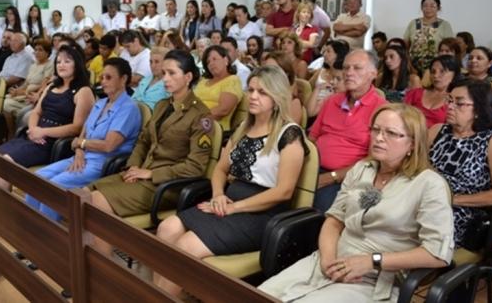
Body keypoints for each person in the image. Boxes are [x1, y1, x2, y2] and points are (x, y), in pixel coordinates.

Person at [260, 104, 455, 303]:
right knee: (256, 296)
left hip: (373, 280)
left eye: (390, 133)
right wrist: (327, 260)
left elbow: (437, 254)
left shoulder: (429, 184)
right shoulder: (362, 169)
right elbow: (334, 220)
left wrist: (373, 261)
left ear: (412, 144)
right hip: (329, 262)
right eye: (376, 130)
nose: (379, 138)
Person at [154, 66, 307, 297]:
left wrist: (235, 207)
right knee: (166, 228)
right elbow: (220, 170)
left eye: (262, 92)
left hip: (263, 212)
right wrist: (218, 195)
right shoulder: (243, 128)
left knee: (186, 245)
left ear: (277, 97)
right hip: (230, 199)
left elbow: (283, 192)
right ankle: (156, 295)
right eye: (251, 90)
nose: (253, 96)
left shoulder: (289, 134)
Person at [87, 49, 215, 255]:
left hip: (166, 184)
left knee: (97, 201)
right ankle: (94, 263)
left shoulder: (200, 116)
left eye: (172, 73)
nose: (165, 78)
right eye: (163, 73)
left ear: (188, 77)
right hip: (143, 174)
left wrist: (151, 174)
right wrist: (134, 165)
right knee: (83, 194)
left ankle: (103, 269)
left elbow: (195, 167)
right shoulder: (163, 105)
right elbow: (144, 140)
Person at [25, 58, 142, 221]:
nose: (103, 81)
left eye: (109, 77)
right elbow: (83, 133)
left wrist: (80, 144)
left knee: (53, 188)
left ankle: (48, 239)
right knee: (36, 179)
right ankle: (29, 231)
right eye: (102, 77)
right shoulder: (100, 103)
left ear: (123, 79)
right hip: (81, 157)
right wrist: (79, 151)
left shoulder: (128, 108)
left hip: (103, 163)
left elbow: (109, 146)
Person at [429, 78, 492, 248]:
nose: (450, 106)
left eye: (459, 103)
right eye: (450, 100)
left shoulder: (491, 140)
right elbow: (415, 166)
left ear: (478, 110)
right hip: (424, 201)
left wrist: (454, 199)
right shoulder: (437, 130)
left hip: (458, 213)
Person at [309, 49, 387, 211]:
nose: (349, 73)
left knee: (318, 208)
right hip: (313, 167)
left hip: (348, 177)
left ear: (373, 73)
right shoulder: (332, 101)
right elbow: (312, 138)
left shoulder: (381, 110)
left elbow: (373, 159)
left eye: (357, 68)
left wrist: (332, 177)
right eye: (346, 68)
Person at [0, 45, 94, 169]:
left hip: (53, 142)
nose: (61, 65)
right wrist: (33, 130)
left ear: (78, 64)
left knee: (4, 162)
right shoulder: (52, 86)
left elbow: (77, 128)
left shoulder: (83, 91)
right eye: (58, 62)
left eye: (67, 61)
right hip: (34, 135)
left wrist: (42, 132)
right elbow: (36, 112)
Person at [2, 38, 55, 123]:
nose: (37, 52)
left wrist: (24, 91)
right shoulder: (33, 65)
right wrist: (17, 90)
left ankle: (17, 129)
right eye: (36, 50)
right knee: (4, 99)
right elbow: (26, 83)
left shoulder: (50, 65)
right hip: (26, 93)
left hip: (35, 95)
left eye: (40, 50)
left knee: (7, 104)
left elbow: (45, 84)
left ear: (47, 52)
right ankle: (11, 130)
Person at [194, 45, 243, 131]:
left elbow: (223, 110)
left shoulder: (232, 80)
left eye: (214, 59)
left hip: (213, 128)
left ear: (226, 60)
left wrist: (195, 120)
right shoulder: (203, 81)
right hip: (192, 124)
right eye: (208, 62)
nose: (211, 64)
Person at [405, 55, 462, 128]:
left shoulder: (455, 101)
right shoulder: (415, 93)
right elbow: (401, 115)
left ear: (454, 74)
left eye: (442, 71)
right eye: (433, 72)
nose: (435, 75)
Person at [403, 0, 454, 73]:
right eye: (425, 6)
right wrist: (409, 66)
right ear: (421, 7)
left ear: (438, 8)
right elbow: (404, 47)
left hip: (437, 69)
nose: (428, 9)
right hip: (413, 68)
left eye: (432, 6)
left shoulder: (445, 25)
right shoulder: (413, 23)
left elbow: (450, 50)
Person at [261, 51, 304, 127]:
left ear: (286, 73)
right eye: (266, 69)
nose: (267, 74)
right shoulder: (258, 95)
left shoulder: (293, 102)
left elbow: (289, 133)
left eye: (273, 70)